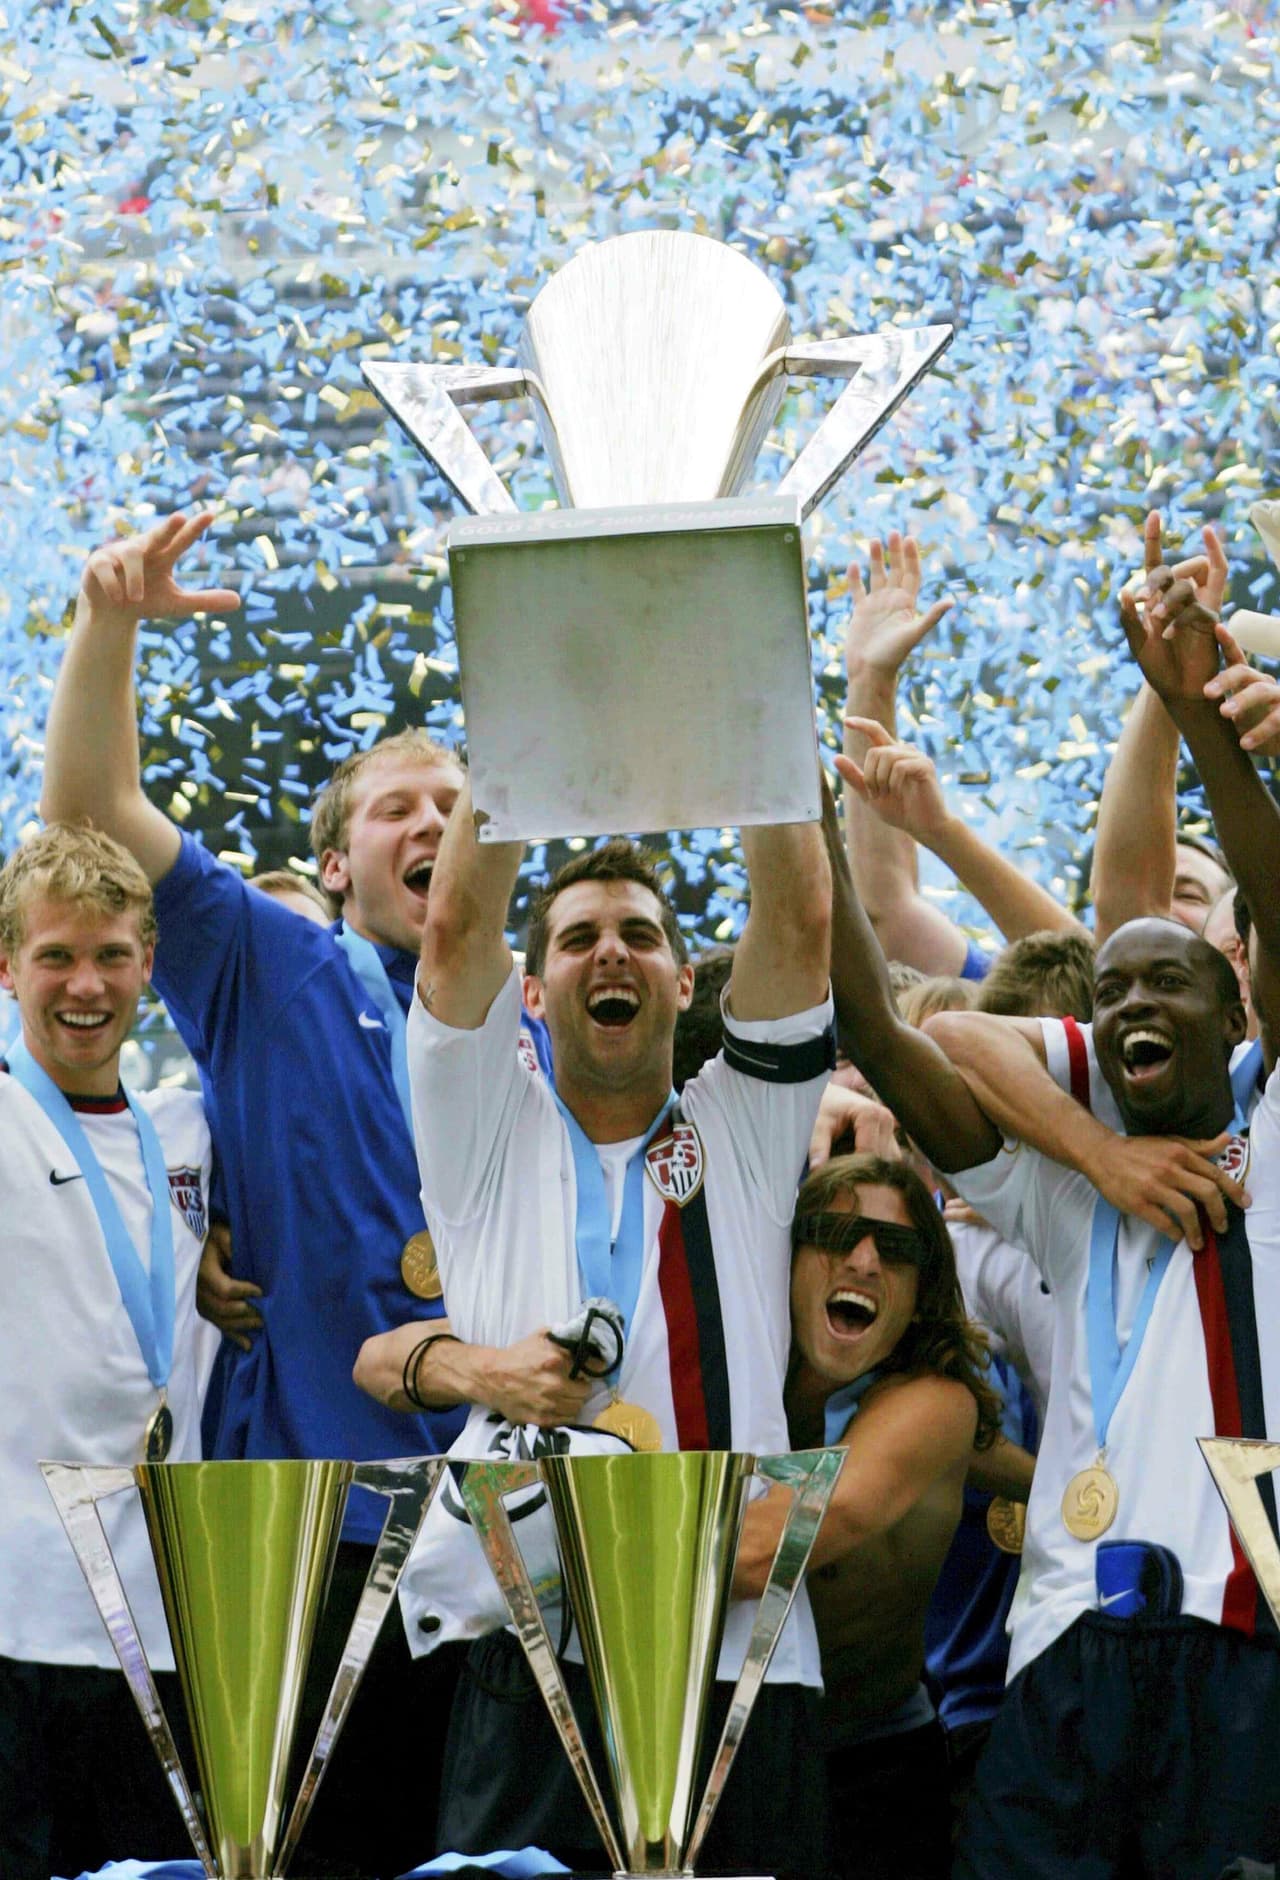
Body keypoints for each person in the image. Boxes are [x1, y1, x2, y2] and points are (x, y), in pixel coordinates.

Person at [39, 511, 579, 1878]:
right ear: (336, 867)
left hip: (513, 1547)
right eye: (403, 808)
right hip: (307, 1532)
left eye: (461, 805)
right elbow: (92, 822)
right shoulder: (282, 968)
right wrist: (109, 626)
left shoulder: (552, 1029)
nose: (439, 825)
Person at [920, 516, 1280, 1877]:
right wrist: (1101, 1156)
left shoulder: (1266, 1106)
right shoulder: (1091, 1121)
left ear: (1239, 977)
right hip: (1073, 1641)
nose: (1150, 969)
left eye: (1201, 933)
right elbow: (1034, 982)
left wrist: (1196, 716)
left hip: (1243, 1625)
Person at [409, 773, 834, 1877]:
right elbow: (454, 926)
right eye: (578, 937)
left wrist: (753, 719)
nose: (610, 952)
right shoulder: (480, 1126)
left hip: (738, 1657)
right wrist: (520, 729)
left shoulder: (744, 1120)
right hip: (534, 1654)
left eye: (640, 935)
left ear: (687, 980)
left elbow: (796, 922)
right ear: (532, 992)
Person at [0, 824, 211, 1880]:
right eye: (55, 955)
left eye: (110, 953)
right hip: (14, 1615)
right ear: (7, 966)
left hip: (157, 1626)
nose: (85, 983)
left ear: (148, 964)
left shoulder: (190, 1129)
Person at [734, 1151, 1000, 1880]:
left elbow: (769, 1549)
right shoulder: (724, 1380)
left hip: (874, 1767)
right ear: (785, 1257)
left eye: (897, 1248)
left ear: (923, 1291)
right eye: (832, 1232)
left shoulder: (937, 1405)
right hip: (719, 1755)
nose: (863, 1260)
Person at [841, 532, 1086, 977]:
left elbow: (1096, 973)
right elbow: (887, 907)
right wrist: (869, 682)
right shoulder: (996, 1002)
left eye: (1190, 895)